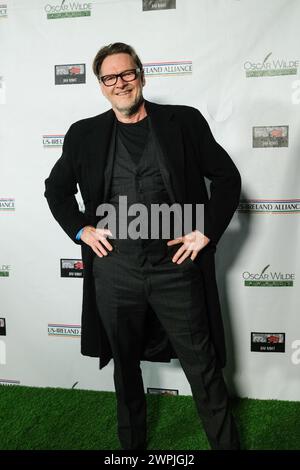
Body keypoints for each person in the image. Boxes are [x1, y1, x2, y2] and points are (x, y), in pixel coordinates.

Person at [44, 42, 241, 450]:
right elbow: (56, 191)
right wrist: (82, 230)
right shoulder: (84, 135)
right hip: (115, 268)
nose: (121, 83)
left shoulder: (183, 122)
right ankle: (132, 452)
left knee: (202, 367)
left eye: (127, 73)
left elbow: (227, 178)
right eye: (110, 77)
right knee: (126, 369)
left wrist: (205, 230)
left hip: (175, 265)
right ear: (101, 85)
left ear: (141, 75)